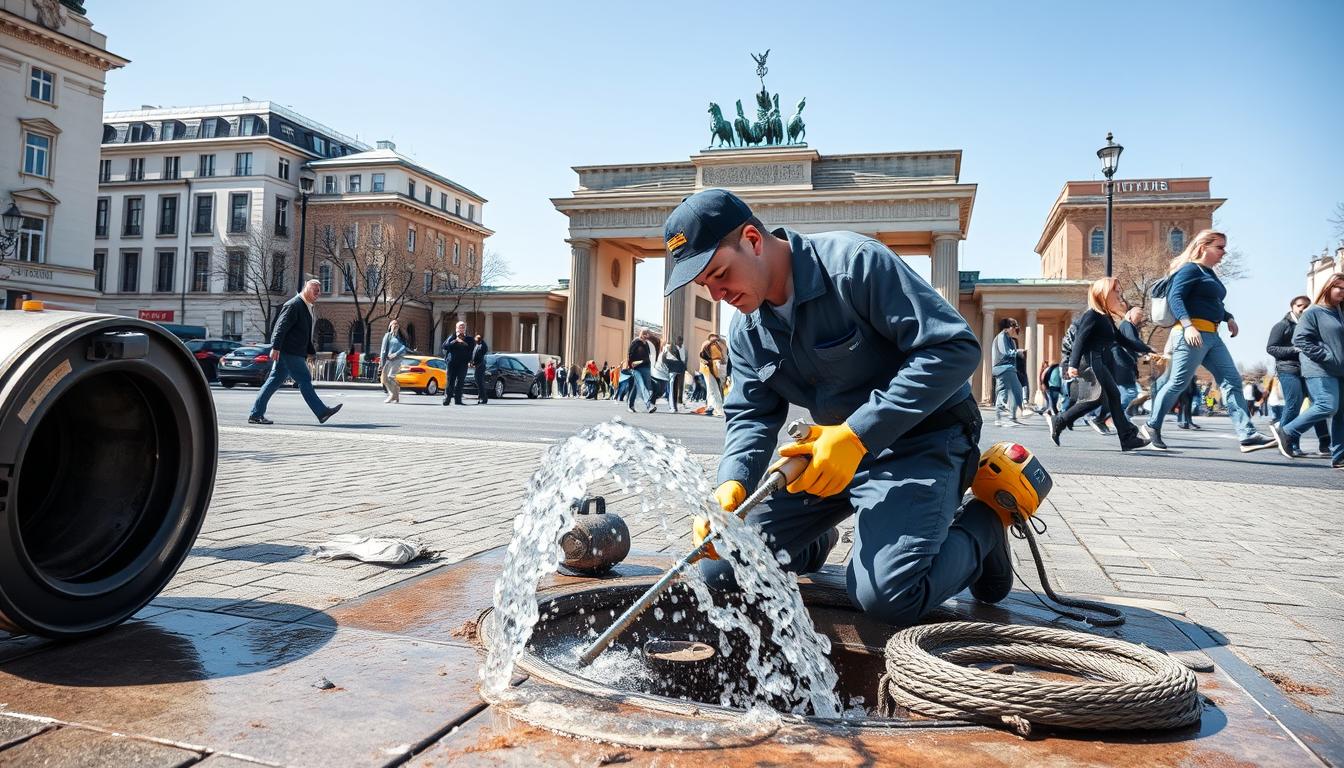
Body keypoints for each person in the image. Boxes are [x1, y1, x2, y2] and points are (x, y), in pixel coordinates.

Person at [663, 188, 1009, 628]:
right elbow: (751, 414)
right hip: (830, 459)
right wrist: (731, 482)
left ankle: (985, 525)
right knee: (724, 566)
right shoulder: (746, 330)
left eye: (719, 273)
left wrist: (859, 433)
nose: (716, 294)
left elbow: (955, 348)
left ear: (752, 239)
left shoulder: (855, 265)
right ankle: (813, 536)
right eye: (704, 285)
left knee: (887, 596)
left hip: (923, 441)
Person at [1139, 230, 1273, 452]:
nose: (1224, 252)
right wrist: (1188, 325)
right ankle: (1152, 426)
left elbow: (1211, 301)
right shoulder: (1190, 268)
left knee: (1231, 380)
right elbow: (1176, 297)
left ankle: (1247, 435)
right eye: (1220, 247)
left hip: (1212, 336)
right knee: (1177, 383)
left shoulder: (1209, 273)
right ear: (1203, 247)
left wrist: (1227, 317)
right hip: (1191, 335)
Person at [1050, 278, 1150, 451]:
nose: (1119, 295)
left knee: (1112, 397)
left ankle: (1127, 438)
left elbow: (1123, 340)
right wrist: (1072, 364)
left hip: (1096, 361)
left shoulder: (1106, 318)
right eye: (1116, 291)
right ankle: (1060, 420)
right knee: (1097, 398)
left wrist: (1148, 349)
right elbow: (1080, 340)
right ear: (1103, 293)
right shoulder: (1092, 315)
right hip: (1087, 362)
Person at [1271, 273, 1344, 468]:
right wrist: (1325, 356)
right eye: (1340, 287)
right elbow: (1300, 339)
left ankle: (1339, 457)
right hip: (1320, 368)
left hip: (1340, 369)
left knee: (1342, 414)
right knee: (1327, 405)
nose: (1343, 292)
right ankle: (1287, 431)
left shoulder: (1340, 312)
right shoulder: (1314, 312)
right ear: (1328, 288)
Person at [248, 279, 342, 425]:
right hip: (289, 351)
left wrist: (311, 352)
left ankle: (255, 414)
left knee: (274, 381)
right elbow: (280, 327)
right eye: (314, 289)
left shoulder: (305, 306)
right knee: (304, 379)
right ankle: (321, 412)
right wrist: (276, 347)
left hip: (291, 351)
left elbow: (303, 334)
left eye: (319, 290)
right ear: (305, 288)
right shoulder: (294, 305)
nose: (317, 292)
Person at [1267, 295, 1329, 456]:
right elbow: (1271, 348)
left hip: (1310, 370)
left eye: (1307, 306)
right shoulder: (1282, 325)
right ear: (1292, 307)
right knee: (1294, 404)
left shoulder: (1311, 326)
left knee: (1319, 405)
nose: (1303, 309)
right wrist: (1294, 349)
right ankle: (1289, 443)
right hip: (1288, 370)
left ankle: (1325, 445)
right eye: (1300, 305)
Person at [1112, 307, 1149, 418]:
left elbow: (1130, 345)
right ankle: (1110, 416)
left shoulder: (1128, 326)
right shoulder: (1128, 325)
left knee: (1125, 393)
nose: (1140, 317)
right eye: (1138, 314)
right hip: (1123, 365)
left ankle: (1115, 418)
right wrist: (1148, 349)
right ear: (1130, 314)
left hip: (1124, 364)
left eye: (1141, 315)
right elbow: (1133, 341)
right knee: (1130, 393)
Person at [990, 319, 1024, 427]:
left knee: (1016, 391)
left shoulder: (1010, 340)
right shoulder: (1001, 336)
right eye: (1014, 326)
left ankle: (1012, 417)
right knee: (1004, 392)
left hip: (1009, 368)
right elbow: (1005, 352)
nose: (1015, 329)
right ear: (1008, 327)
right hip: (1002, 367)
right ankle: (1000, 419)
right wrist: (1018, 352)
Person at [440, 321, 473, 406]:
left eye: (463, 327)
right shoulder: (452, 337)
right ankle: (447, 399)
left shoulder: (469, 339)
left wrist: (464, 343)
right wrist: (455, 341)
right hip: (452, 363)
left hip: (463, 363)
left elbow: (471, 349)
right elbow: (445, 346)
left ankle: (458, 400)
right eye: (460, 327)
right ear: (456, 328)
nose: (461, 328)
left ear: (465, 328)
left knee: (460, 381)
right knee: (450, 381)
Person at [379, 319, 408, 404]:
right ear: (390, 326)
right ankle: (396, 394)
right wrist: (381, 361)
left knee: (390, 377)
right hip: (388, 360)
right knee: (384, 379)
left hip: (397, 359)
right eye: (394, 324)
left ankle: (392, 395)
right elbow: (383, 350)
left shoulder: (400, 338)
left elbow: (404, 347)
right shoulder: (387, 336)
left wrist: (396, 354)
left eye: (397, 324)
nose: (396, 326)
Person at [626, 330, 656, 413]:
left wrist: (649, 366)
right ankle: (649, 405)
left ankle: (630, 405)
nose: (647, 337)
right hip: (636, 368)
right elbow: (630, 354)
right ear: (642, 334)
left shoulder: (646, 344)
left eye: (648, 335)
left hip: (646, 367)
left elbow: (648, 356)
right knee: (642, 385)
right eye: (646, 335)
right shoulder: (635, 342)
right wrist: (630, 366)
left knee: (638, 387)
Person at [700, 333, 727, 418]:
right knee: (713, 388)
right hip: (707, 369)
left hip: (716, 368)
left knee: (711, 389)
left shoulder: (717, 345)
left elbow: (721, 357)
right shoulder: (706, 344)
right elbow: (702, 357)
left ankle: (710, 407)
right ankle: (717, 409)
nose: (717, 339)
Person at [662, 335, 687, 413]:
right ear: (676, 341)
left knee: (676, 388)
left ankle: (675, 406)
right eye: (679, 340)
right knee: (672, 388)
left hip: (679, 370)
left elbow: (683, 360)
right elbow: (664, 358)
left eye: (682, 340)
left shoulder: (683, 349)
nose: (681, 342)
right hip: (672, 370)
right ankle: (672, 406)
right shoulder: (670, 348)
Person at [471, 333, 490, 404]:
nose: (475, 339)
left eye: (476, 338)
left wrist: (475, 364)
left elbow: (483, 352)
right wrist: (471, 362)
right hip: (476, 366)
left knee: (480, 382)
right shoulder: (477, 345)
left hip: (480, 366)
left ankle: (483, 398)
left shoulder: (482, 346)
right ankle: (480, 396)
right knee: (478, 382)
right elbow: (474, 355)